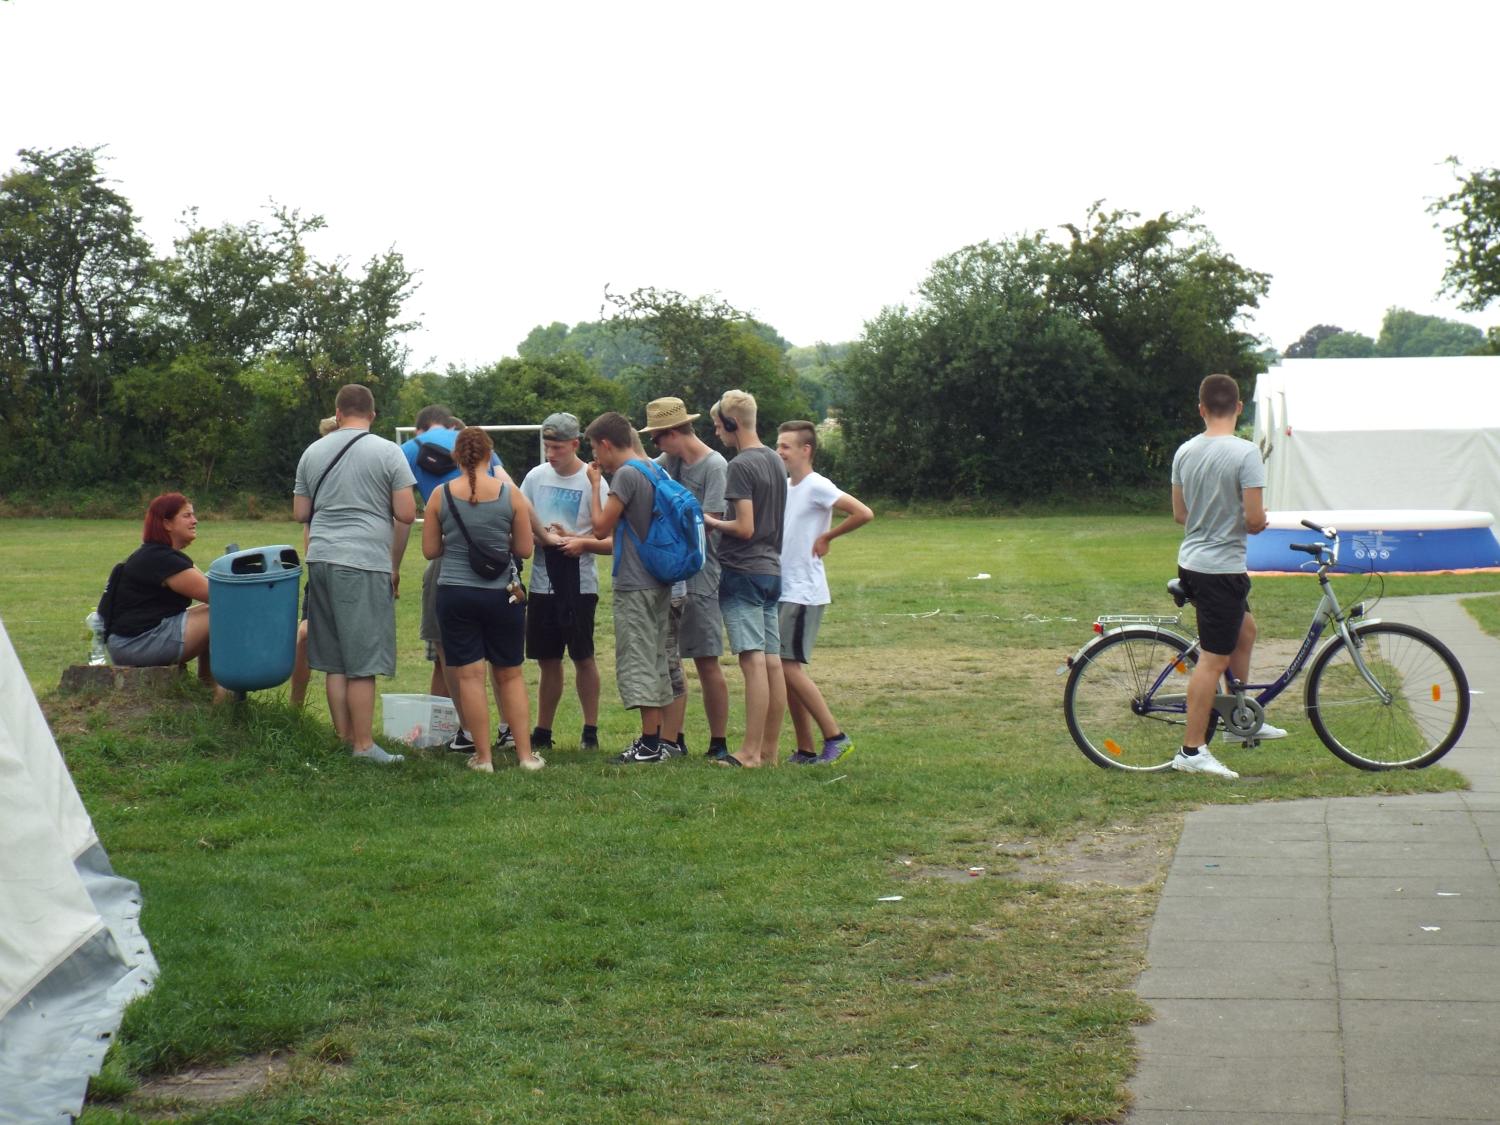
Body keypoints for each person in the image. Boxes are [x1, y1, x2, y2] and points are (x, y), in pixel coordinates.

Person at [293, 383, 416, 764]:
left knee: (334, 659)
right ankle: (363, 746)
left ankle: (343, 738)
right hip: (363, 560)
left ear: (338, 412)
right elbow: (407, 513)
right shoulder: (388, 452)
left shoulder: (312, 451)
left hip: (321, 558)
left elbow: (301, 512)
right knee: (362, 661)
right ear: (372, 415)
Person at [1170, 373, 1284, 780]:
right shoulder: (1246, 453)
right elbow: (1253, 519)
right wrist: (1256, 520)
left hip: (1193, 561)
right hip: (1220, 570)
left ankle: (1238, 718)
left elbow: (1180, 514)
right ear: (1238, 408)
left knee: (1245, 632)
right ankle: (1192, 750)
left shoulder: (1185, 451)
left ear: (1201, 409)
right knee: (1213, 659)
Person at [422, 427, 543, 773]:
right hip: (502, 595)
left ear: (456, 458)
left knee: (470, 678)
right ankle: (526, 756)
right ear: (490, 456)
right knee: (510, 676)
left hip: (455, 594)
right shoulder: (511, 494)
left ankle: (483, 757)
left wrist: (458, 542)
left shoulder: (440, 495)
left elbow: (430, 550)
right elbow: (525, 549)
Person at [398, 406, 503, 753]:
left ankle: (470, 733)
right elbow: (517, 513)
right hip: (496, 566)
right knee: (499, 660)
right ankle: (501, 732)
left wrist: (393, 567)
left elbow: (423, 541)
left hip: (449, 569)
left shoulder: (412, 453)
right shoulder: (495, 470)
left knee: (450, 653)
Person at [775, 421, 874, 764]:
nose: (779, 451)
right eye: (778, 445)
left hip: (804, 591)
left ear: (806, 450)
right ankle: (805, 748)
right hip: (783, 588)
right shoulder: (786, 486)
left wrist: (827, 536)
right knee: (785, 671)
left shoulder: (817, 485)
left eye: (786, 446)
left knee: (786, 666)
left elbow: (864, 512)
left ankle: (836, 737)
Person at [583, 410, 676, 764]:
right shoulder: (653, 468)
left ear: (606, 444)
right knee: (655, 657)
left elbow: (599, 528)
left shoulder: (626, 474)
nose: (596, 457)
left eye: (595, 449)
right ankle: (657, 740)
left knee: (638, 659)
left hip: (635, 582)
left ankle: (649, 744)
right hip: (658, 578)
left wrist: (595, 486)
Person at [640, 397, 730, 760]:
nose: (656, 446)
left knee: (706, 659)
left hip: (702, 576)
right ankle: (672, 737)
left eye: (657, 438)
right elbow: (644, 471)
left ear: (674, 433)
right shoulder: (669, 461)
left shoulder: (715, 466)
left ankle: (719, 742)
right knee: (671, 658)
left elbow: (710, 523)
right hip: (672, 576)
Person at [704, 389, 788, 768]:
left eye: (718, 425)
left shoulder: (739, 465)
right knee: (772, 662)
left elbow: (744, 527)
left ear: (732, 423)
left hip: (743, 572)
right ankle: (769, 751)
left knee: (752, 662)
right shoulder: (774, 460)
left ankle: (750, 752)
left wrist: (710, 521)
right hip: (771, 571)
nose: (716, 432)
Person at [520, 412, 610, 753]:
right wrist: (541, 537)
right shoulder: (535, 477)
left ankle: (591, 730)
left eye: (557, 447)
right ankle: (543, 730)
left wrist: (578, 541)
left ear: (575, 444)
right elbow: (520, 521)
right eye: (547, 446)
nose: (551, 454)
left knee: (583, 656)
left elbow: (611, 539)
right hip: (542, 581)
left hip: (579, 584)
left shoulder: (593, 482)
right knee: (547, 660)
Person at [103, 492, 222, 699]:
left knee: (215, 610)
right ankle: (217, 693)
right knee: (222, 613)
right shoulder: (161, 559)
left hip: (129, 641)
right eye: (187, 515)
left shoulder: (161, 555)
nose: (195, 520)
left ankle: (207, 689)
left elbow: (210, 588)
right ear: (167, 523)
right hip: (135, 643)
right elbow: (218, 595)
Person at [290, 414, 339, 708]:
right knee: (305, 633)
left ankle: (348, 725)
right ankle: (295, 706)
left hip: (355, 566)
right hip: (320, 567)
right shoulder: (314, 470)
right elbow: (304, 520)